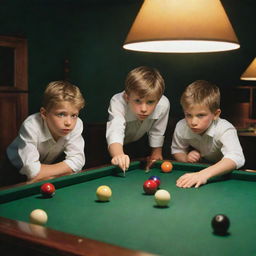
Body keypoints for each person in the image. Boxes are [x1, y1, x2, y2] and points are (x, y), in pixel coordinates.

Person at [3, 80, 85, 185]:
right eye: (61, 114)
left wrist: (42, 172)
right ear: (44, 113)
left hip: (45, 166)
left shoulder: (77, 124)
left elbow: (78, 162)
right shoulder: (31, 125)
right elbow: (32, 170)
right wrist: (65, 168)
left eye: (74, 115)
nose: (69, 123)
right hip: (13, 169)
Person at [171, 80, 245, 188]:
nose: (193, 122)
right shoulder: (182, 126)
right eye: (188, 115)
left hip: (227, 176)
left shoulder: (225, 128)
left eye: (200, 115)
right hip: (203, 168)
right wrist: (186, 158)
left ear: (216, 114)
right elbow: (177, 150)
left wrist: (203, 174)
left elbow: (237, 158)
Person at [106, 66, 170, 173]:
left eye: (150, 102)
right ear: (127, 97)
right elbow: (115, 131)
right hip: (115, 147)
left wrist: (156, 154)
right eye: (137, 101)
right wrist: (118, 155)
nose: (144, 109)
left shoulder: (163, 104)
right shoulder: (117, 102)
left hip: (140, 143)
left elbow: (157, 132)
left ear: (158, 100)